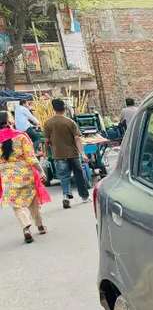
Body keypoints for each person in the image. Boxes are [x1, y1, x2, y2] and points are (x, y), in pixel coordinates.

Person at [0, 111, 50, 243]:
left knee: (16, 204)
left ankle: (26, 227)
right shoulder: (21, 136)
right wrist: (41, 171)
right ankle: (39, 226)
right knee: (32, 200)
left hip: (7, 176)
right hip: (25, 173)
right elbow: (31, 157)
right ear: (10, 121)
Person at [42, 98, 89, 209]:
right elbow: (77, 138)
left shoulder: (48, 123)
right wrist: (82, 153)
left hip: (58, 155)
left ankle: (65, 197)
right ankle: (84, 197)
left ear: (53, 109)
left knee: (64, 177)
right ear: (64, 108)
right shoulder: (70, 122)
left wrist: (45, 153)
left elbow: (47, 141)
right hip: (73, 154)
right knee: (79, 175)